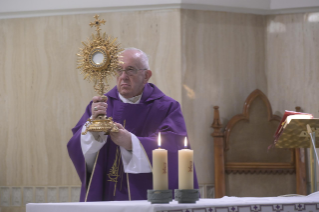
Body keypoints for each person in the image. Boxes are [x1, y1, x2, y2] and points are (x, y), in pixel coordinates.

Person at [67, 48, 198, 202]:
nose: (123, 77)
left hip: (147, 197)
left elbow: (175, 147)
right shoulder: (100, 106)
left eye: (130, 70)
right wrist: (93, 131)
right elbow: (76, 146)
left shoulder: (166, 107)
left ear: (146, 76)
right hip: (106, 196)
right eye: (119, 70)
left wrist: (131, 143)